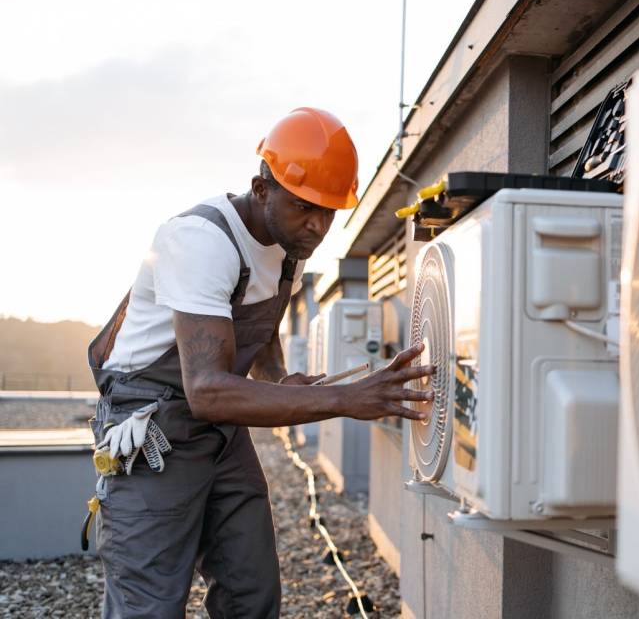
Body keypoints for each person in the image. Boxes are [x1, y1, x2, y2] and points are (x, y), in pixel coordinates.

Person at [86, 107, 435, 618]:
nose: (317, 226)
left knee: (250, 592)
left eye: (328, 212)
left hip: (220, 431)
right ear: (262, 188)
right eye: (303, 207)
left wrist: (277, 379)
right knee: (150, 603)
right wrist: (340, 399)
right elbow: (205, 388)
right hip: (151, 429)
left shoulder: (291, 246)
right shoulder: (202, 241)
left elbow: (260, 322)